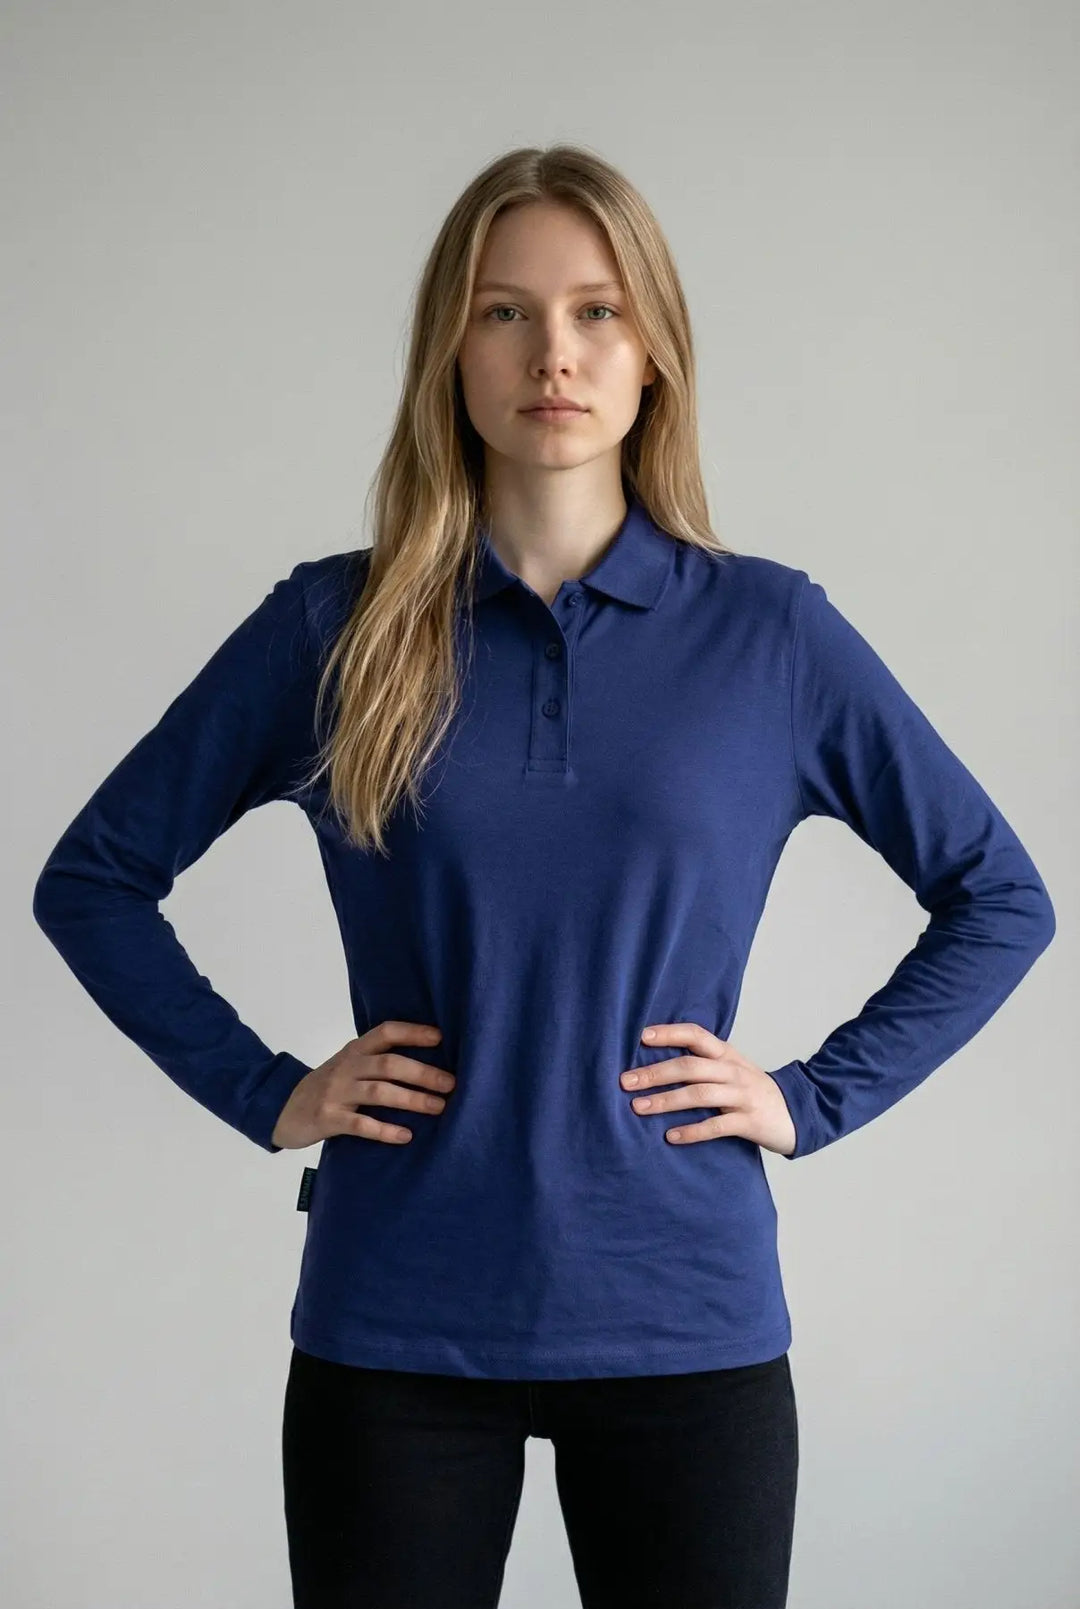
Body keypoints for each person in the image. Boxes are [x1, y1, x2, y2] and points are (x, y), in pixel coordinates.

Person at [32, 144, 1056, 1609]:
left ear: (655, 355)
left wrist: (810, 1097)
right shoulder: (337, 625)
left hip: (682, 1320)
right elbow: (95, 877)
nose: (553, 354)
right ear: (451, 349)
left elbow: (1000, 895)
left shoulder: (769, 637)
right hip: (396, 1324)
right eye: (505, 312)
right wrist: (269, 1089)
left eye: (596, 311)